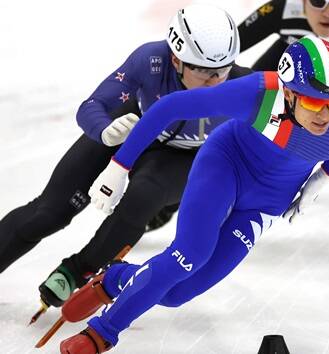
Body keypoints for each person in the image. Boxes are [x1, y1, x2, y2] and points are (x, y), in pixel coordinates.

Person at [56, 35, 329, 353]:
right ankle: (99, 335)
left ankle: (116, 278)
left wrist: (324, 177)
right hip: (226, 166)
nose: (325, 115)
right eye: (313, 101)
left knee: (175, 294)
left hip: (267, 203)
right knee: (189, 256)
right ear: (288, 92)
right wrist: (119, 165)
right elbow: (169, 108)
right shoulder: (259, 94)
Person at [0, 4, 249, 310]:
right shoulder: (151, 60)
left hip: (179, 160)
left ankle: (77, 269)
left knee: (143, 195)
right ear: (176, 59)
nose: (215, 81)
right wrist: (105, 131)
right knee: (48, 213)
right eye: (203, 70)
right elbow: (91, 105)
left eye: (222, 69)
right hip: (128, 129)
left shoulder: (241, 84)